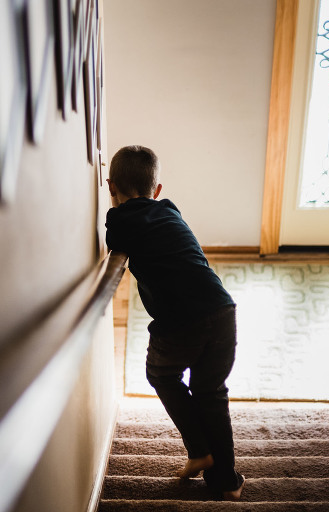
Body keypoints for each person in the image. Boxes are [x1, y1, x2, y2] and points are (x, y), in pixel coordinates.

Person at [104, 145, 244, 501]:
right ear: (158, 190)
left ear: (110, 186)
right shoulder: (169, 209)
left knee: (162, 374)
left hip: (182, 320)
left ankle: (199, 449)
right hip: (222, 309)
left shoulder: (118, 221)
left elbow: (116, 240)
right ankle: (225, 482)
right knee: (211, 393)